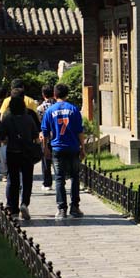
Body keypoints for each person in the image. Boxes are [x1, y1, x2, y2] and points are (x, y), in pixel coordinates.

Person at [42, 83, 86, 219]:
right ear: (67, 94)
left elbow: (45, 132)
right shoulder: (73, 109)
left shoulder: (50, 111)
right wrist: (82, 148)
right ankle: (75, 207)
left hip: (57, 147)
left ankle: (61, 208)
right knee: (75, 176)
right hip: (72, 147)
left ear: (54, 95)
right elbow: (80, 131)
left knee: (59, 178)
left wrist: (45, 148)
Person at [0, 90, 40, 221]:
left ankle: (12, 208)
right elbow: (35, 136)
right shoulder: (28, 118)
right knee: (27, 181)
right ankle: (24, 203)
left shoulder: (7, 118)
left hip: (12, 152)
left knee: (13, 180)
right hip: (27, 153)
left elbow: (1, 137)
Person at [36, 84, 56, 191]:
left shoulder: (40, 108)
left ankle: (47, 183)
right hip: (57, 136)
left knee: (46, 161)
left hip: (45, 137)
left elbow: (39, 123)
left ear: (43, 95)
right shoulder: (57, 106)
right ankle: (59, 178)